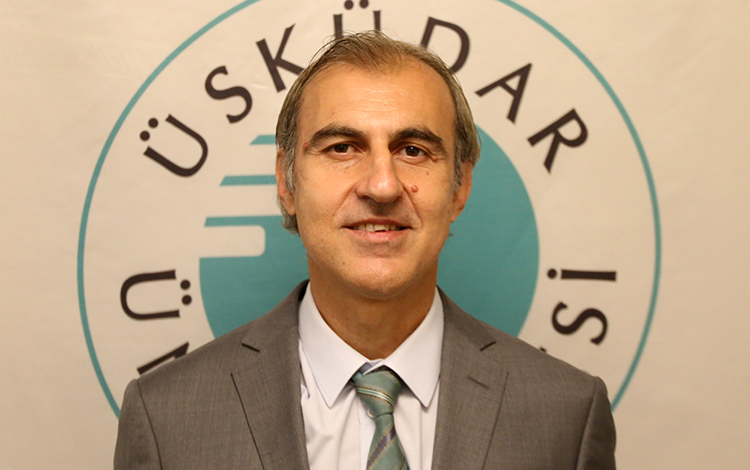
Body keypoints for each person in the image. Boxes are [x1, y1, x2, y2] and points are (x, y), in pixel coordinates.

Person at [114, 31, 616, 470]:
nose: (381, 185)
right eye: (342, 148)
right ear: (286, 183)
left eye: (413, 150)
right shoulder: (166, 418)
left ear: (460, 186)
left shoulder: (566, 413)